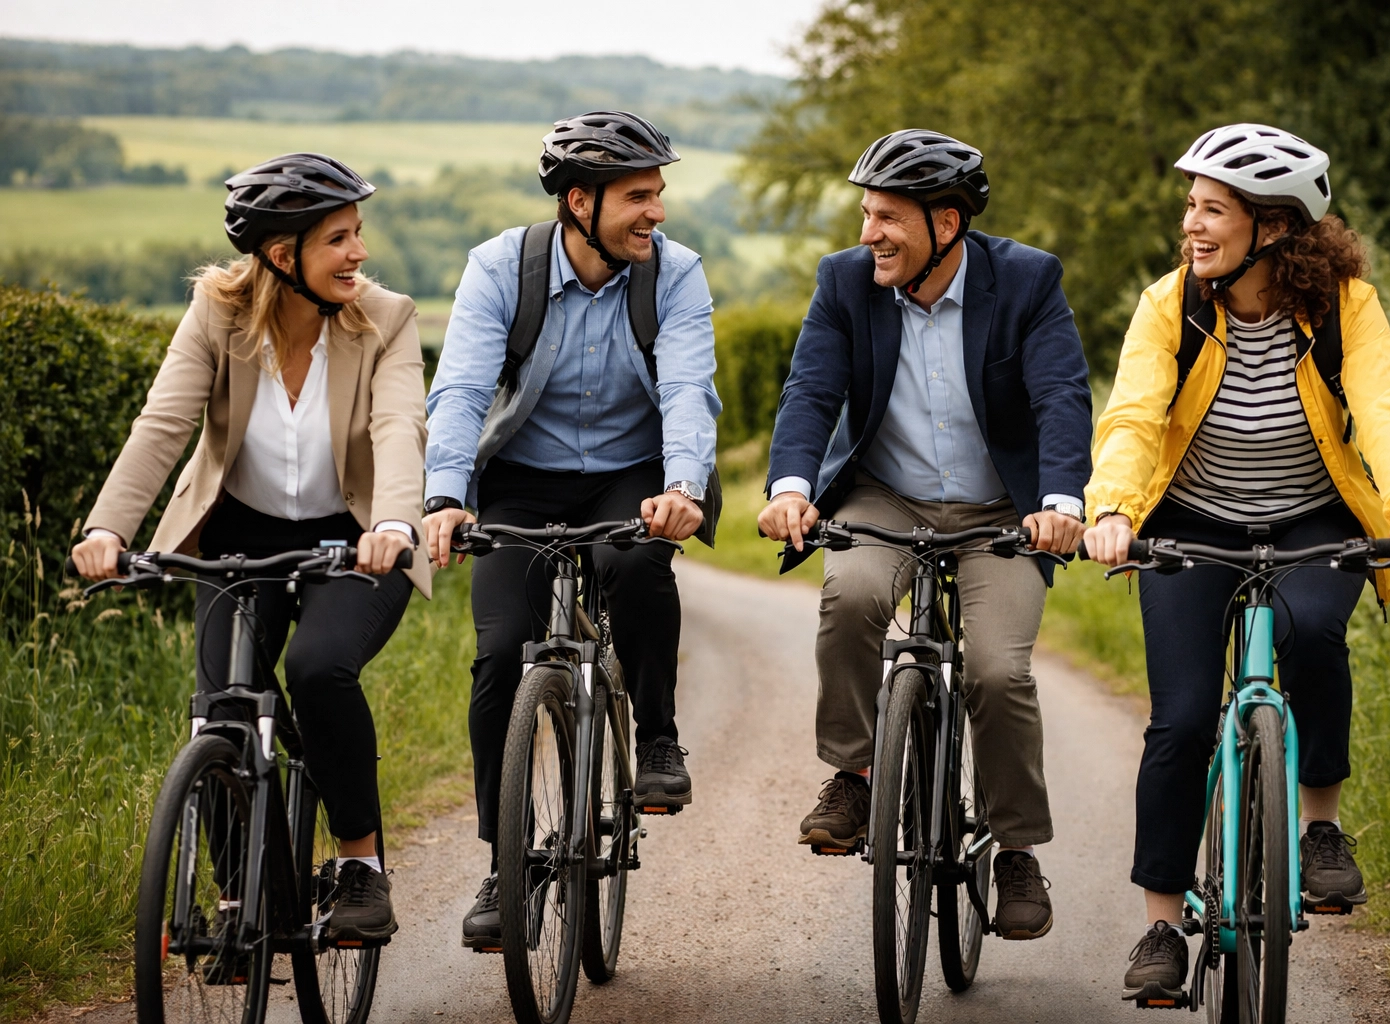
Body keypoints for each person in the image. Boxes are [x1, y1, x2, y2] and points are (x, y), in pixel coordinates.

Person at [1079, 124, 1390, 1001]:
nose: (1191, 226)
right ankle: (1163, 925)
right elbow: (1133, 417)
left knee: (1317, 636)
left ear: (1273, 228)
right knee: (1178, 723)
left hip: (1313, 521)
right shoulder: (1171, 304)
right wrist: (1114, 513)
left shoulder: (1343, 305)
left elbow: (1385, 406)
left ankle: (1320, 829)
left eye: (1213, 210)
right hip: (1192, 526)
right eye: (1192, 206)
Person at [71, 153, 430, 943]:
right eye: (338, 239)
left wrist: (396, 526)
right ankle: (242, 903)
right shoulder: (215, 315)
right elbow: (163, 423)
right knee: (223, 708)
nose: (359, 254)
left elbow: (399, 427)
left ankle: (362, 867)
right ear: (281, 255)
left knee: (316, 669)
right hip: (241, 534)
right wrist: (107, 529)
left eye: (357, 235)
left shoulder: (387, 319)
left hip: (356, 537)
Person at [758, 129, 1093, 940]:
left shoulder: (1026, 280)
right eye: (866, 213)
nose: (870, 233)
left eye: (888, 218)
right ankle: (854, 770)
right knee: (852, 596)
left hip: (997, 514)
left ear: (948, 223)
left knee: (996, 671)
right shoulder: (846, 281)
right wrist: (791, 488)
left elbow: (1060, 397)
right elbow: (811, 390)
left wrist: (1061, 502)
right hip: (886, 497)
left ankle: (1015, 849)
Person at [420, 110, 720, 951]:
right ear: (579, 202)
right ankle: (502, 859)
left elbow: (689, 389)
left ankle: (657, 738)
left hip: (634, 472)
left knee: (635, 568)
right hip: (521, 478)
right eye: (638, 196)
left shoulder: (675, 274)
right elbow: (461, 390)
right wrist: (447, 496)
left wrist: (682, 488)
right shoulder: (500, 269)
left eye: (659, 193)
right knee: (499, 648)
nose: (656, 212)